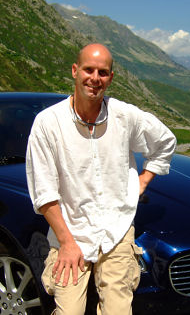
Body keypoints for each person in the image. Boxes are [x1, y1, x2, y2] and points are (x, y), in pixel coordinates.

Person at [26, 43, 176, 315]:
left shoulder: (124, 116)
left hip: (115, 230)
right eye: (89, 69)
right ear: (75, 71)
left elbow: (165, 141)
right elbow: (44, 192)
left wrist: (143, 180)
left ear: (111, 78)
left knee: (118, 309)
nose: (95, 78)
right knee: (68, 310)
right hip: (71, 231)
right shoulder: (48, 123)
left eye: (103, 72)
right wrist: (67, 243)